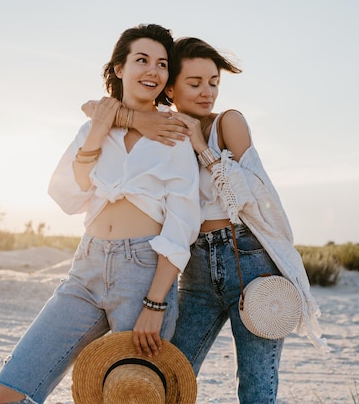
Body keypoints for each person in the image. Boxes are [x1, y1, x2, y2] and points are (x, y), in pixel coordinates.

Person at [88, 37, 330, 403]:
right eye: (195, 83)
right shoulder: (163, 127)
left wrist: (199, 143)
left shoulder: (227, 123)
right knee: (172, 371)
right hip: (196, 266)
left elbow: (247, 193)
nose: (207, 92)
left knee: (256, 383)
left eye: (213, 82)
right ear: (170, 88)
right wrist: (138, 118)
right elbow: (93, 107)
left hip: (248, 260)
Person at [0, 24, 200, 404]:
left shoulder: (174, 132)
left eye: (162, 64)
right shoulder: (93, 125)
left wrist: (156, 302)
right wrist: (102, 126)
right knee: (6, 394)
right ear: (119, 68)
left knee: (131, 395)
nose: (152, 70)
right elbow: (68, 194)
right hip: (85, 268)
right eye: (142, 60)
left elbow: (182, 224)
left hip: (144, 272)